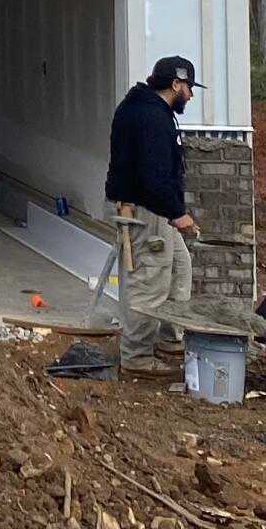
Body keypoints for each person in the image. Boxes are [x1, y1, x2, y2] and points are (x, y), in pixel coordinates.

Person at [105, 54, 202, 365]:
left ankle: (168, 338)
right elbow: (154, 177)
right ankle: (137, 358)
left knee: (179, 266)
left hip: (152, 210)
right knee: (148, 283)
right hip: (146, 214)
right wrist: (179, 214)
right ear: (176, 84)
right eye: (188, 88)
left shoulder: (142, 108)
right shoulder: (152, 118)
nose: (190, 95)